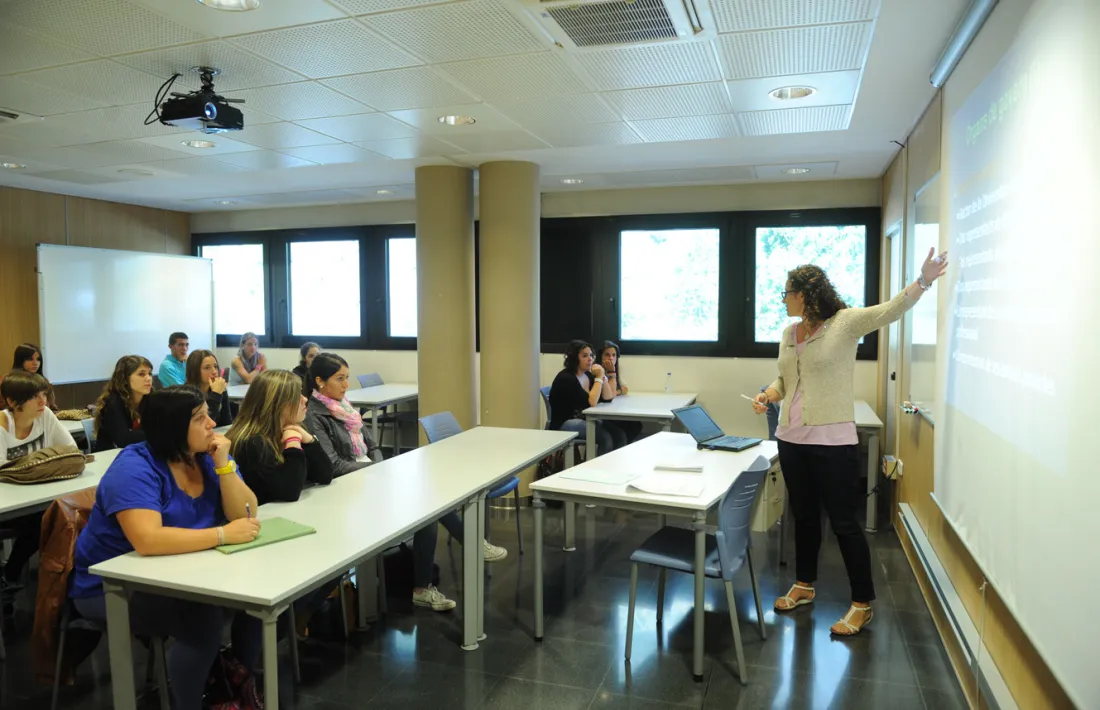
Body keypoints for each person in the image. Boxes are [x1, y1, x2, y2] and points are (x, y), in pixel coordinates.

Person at [752, 249, 949, 637]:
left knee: (844, 523)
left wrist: (923, 281)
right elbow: (785, 380)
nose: (782, 298)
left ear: (806, 294)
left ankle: (862, 603)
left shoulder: (843, 324)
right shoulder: (788, 334)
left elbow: (890, 310)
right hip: (791, 439)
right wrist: (770, 395)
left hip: (832, 442)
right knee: (803, 516)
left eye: (787, 292)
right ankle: (804, 584)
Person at [70, 386, 262, 710]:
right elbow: (148, 540)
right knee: (202, 619)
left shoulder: (205, 455)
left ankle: (229, 683)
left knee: (256, 604)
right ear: (173, 426)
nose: (212, 424)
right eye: (200, 418)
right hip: (111, 586)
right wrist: (222, 536)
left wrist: (224, 465)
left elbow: (246, 513)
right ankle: (189, 701)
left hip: (182, 569)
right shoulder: (135, 467)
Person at [304, 352, 506, 612]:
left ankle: (437, 576)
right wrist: (376, 470)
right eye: (340, 379)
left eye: (347, 378)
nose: (346, 385)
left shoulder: (344, 407)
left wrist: (378, 467)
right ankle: (453, 562)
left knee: (430, 502)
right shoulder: (315, 416)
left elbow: (372, 444)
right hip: (347, 490)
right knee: (427, 503)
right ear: (320, 381)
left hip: (369, 477)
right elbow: (333, 465)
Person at [228, 369, 338, 634]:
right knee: (326, 563)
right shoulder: (252, 442)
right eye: (296, 396)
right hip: (256, 535)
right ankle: (276, 631)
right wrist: (293, 444)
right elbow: (290, 490)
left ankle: (296, 620)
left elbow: (324, 475)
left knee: (335, 563)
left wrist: (307, 439)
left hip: (280, 524)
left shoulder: (284, 431)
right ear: (279, 405)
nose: (304, 400)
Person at [0, 371, 78, 593]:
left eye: (44, 394)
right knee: (45, 519)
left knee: (54, 515)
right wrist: (42, 463)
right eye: (35, 396)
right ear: (12, 402)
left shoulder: (45, 416)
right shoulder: (2, 426)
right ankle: (13, 572)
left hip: (34, 497)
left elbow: (70, 450)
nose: (43, 401)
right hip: (8, 506)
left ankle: (17, 572)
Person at [548, 340, 625, 456]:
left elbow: (608, 397)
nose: (590, 359)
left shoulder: (587, 375)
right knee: (605, 438)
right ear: (574, 358)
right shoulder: (566, 379)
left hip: (586, 419)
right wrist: (599, 377)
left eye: (591, 355)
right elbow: (591, 402)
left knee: (619, 435)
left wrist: (603, 375)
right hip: (565, 423)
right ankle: (598, 471)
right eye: (585, 356)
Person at [93, 356, 153, 453]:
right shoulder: (113, 402)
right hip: (110, 456)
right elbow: (124, 441)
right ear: (125, 378)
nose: (148, 378)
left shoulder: (150, 398)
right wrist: (155, 431)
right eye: (141, 374)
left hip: (140, 452)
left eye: (149, 373)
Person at [595, 340, 642, 443]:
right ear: (600, 356)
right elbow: (608, 396)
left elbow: (625, 388)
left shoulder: (615, 370)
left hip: (610, 410)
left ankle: (622, 450)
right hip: (598, 413)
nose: (611, 358)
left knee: (635, 425)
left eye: (614, 355)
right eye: (607, 355)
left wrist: (617, 392)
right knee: (621, 432)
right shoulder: (596, 370)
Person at [185, 349, 232, 427]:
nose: (214, 372)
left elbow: (227, 423)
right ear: (195, 371)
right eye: (207, 368)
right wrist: (216, 394)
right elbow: (205, 425)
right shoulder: (188, 395)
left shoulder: (220, 389)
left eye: (215, 366)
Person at [7, 343, 57, 411]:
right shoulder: (11, 382)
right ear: (20, 360)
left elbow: (52, 407)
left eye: (38, 359)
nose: (35, 363)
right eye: (30, 359)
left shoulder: (43, 381)